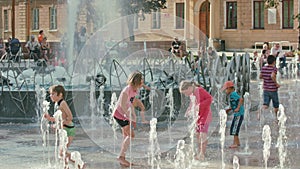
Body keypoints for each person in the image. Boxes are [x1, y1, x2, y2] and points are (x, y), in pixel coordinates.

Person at [113, 71, 145, 167]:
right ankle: (121, 157)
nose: (143, 82)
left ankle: (123, 158)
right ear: (137, 81)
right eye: (141, 80)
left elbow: (130, 104)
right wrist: (128, 116)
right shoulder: (127, 90)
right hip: (119, 115)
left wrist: (133, 117)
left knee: (126, 136)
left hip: (124, 115)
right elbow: (122, 104)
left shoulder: (134, 90)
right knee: (131, 135)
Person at [179, 80, 213, 160]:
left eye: (185, 92)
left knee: (202, 135)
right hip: (199, 116)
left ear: (189, 88)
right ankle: (201, 152)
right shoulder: (192, 93)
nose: (186, 95)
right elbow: (192, 103)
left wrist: (199, 106)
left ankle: (202, 154)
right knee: (198, 135)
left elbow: (210, 98)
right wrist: (189, 109)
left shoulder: (199, 90)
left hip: (205, 115)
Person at [44, 85, 77, 164]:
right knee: (61, 153)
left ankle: (78, 163)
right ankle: (75, 164)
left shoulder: (63, 103)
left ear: (60, 94)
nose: (51, 96)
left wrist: (60, 124)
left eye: (53, 94)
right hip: (65, 130)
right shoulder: (57, 104)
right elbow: (58, 118)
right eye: (50, 94)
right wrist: (49, 118)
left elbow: (70, 117)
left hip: (69, 130)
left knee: (62, 152)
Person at [221, 81, 244, 148]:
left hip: (239, 114)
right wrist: (229, 110)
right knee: (234, 128)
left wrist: (238, 108)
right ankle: (237, 142)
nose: (225, 91)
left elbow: (241, 99)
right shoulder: (231, 95)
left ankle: (236, 144)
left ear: (230, 88)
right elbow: (233, 104)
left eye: (226, 89)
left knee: (235, 129)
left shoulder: (233, 94)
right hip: (237, 114)